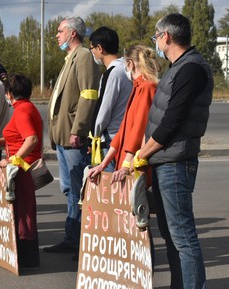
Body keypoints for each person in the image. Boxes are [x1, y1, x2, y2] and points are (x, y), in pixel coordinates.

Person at [135, 13, 212, 289]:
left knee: (183, 236)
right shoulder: (179, 66)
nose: (156, 42)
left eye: (156, 36)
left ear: (166, 36)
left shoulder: (190, 68)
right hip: (165, 161)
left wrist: (142, 153)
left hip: (175, 163)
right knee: (171, 235)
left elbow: (172, 122)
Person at [44, 16, 100, 254]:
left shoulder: (84, 56)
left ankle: (79, 241)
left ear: (72, 33)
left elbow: (88, 95)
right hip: (63, 138)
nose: (57, 35)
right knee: (69, 188)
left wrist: (78, 129)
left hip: (73, 137)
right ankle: (72, 238)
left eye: (60, 31)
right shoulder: (71, 58)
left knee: (78, 190)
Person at [0, 73, 42, 269]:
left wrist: (12, 160)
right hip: (21, 166)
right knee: (23, 210)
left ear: (9, 93)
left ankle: (26, 257)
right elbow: (19, 136)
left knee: (23, 211)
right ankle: (25, 255)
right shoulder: (26, 107)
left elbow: (31, 139)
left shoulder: (22, 110)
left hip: (21, 169)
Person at [87, 45, 160, 183]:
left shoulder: (146, 87)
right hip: (127, 161)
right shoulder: (138, 87)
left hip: (135, 165)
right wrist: (103, 164)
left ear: (130, 64)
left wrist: (127, 165)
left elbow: (138, 129)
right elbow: (122, 132)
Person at [88, 27, 133, 171]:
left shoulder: (112, 73)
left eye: (92, 49)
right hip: (125, 136)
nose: (92, 53)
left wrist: (93, 136)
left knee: (111, 190)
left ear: (100, 48)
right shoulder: (127, 68)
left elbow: (103, 109)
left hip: (111, 140)